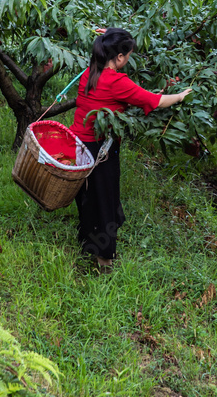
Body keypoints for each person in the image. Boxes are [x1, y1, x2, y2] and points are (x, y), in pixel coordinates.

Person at [69, 27, 192, 270]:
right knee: (105, 202)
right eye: (128, 55)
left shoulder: (89, 73)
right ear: (119, 57)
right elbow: (154, 102)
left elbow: (123, 99)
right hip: (100, 150)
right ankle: (104, 259)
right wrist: (179, 96)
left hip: (79, 145)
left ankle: (87, 242)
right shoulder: (116, 81)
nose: (129, 59)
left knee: (88, 197)